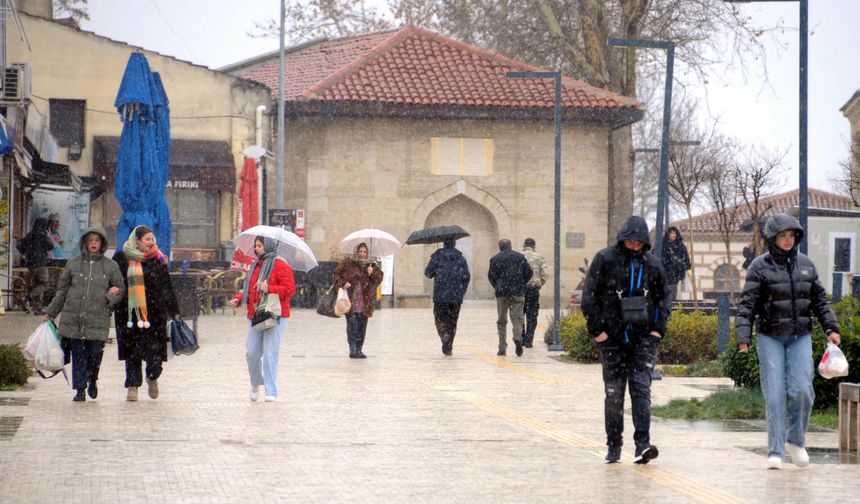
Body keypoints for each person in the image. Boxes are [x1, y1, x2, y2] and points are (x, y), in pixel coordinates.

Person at [735, 213, 841, 470]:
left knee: (803, 390)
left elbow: (819, 301)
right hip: (769, 336)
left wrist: (831, 327)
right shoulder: (759, 267)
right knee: (775, 395)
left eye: (791, 235)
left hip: (800, 337)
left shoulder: (807, 265)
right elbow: (747, 304)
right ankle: (775, 450)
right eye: (782, 236)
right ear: (772, 238)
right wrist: (743, 337)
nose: (787, 240)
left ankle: (796, 440)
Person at [581, 216, 668, 465]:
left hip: (643, 339)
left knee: (641, 390)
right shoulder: (605, 260)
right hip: (611, 339)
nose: (635, 246)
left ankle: (643, 444)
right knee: (614, 393)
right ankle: (614, 445)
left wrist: (657, 331)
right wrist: (598, 330)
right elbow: (590, 297)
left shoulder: (652, 265)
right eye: (631, 241)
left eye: (639, 242)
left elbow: (664, 299)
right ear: (622, 239)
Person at [44, 227, 124, 401]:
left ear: (102, 243)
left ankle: (92, 378)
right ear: (85, 243)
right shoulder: (73, 263)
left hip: (98, 318)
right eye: (91, 240)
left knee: (95, 353)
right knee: (78, 355)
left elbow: (120, 289)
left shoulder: (111, 266)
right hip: (74, 319)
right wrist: (51, 312)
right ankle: (80, 389)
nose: (94, 243)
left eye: (97, 240)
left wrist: (110, 296)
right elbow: (62, 290)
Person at [113, 225, 180, 402]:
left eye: (152, 239)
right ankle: (133, 386)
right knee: (132, 352)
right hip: (129, 313)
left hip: (155, 314)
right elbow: (114, 282)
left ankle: (152, 377)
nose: (151, 242)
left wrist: (174, 311)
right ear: (137, 241)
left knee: (155, 354)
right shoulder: (121, 258)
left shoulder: (158, 259)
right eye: (147, 239)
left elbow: (167, 287)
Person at [230, 236, 295, 401]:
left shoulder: (281, 265)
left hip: (275, 314)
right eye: (256, 245)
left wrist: (270, 288)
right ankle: (255, 383)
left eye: (260, 245)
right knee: (252, 353)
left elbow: (289, 290)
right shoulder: (256, 265)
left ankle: (271, 391)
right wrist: (239, 298)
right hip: (256, 314)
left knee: (270, 353)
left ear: (269, 246)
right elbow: (251, 289)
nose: (256, 248)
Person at [333, 243, 383, 358]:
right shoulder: (348, 263)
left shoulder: (371, 265)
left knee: (362, 326)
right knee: (352, 325)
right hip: (350, 300)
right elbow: (336, 275)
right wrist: (343, 283)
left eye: (364, 252)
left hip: (365, 301)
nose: (362, 254)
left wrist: (372, 273)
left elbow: (379, 279)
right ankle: (353, 349)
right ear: (356, 252)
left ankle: (359, 349)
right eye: (360, 251)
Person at [424, 237, 471, 356]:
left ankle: (444, 336)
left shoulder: (437, 257)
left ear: (443, 244)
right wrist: (462, 291)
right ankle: (449, 344)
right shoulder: (461, 259)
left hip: (440, 296)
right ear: (454, 244)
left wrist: (434, 262)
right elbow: (466, 277)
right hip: (456, 297)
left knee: (440, 319)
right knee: (452, 321)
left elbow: (428, 273)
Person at [488, 239, 532, 357]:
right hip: (518, 293)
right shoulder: (520, 257)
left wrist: (497, 286)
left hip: (502, 294)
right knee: (517, 319)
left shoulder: (495, 259)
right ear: (510, 246)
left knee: (501, 321)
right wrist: (521, 284)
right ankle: (518, 338)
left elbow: (491, 276)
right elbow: (529, 273)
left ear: (500, 247)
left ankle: (502, 347)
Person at [16, 217, 54, 315]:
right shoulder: (43, 235)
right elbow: (51, 246)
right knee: (44, 284)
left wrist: (26, 253)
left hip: (30, 264)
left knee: (37, 285)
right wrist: (49, 237)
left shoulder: (29, 235)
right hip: (40, 263)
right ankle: (28, 297)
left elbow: (19, 246)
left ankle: (38, 308)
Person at [521, 238, 547, 348]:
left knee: (519, 315)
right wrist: (539, 284)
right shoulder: (539, 257)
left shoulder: (519, 256)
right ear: (534, 246)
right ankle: (528, 341)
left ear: (524, 245)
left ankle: (521, 338)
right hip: (533, 289)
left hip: (521, 290)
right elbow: (545, 274)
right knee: (532, 315)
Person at [660, 226, 690, 308]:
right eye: (671, 233)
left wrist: (680, 264)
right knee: (665, 291)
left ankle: (670, 308)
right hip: (664, 273)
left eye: (675, 233)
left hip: (675, 273)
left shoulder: (681, 246)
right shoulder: (662, 245)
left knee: (672, 291)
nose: (673, 235)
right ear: (668, 234)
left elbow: (687, 261)